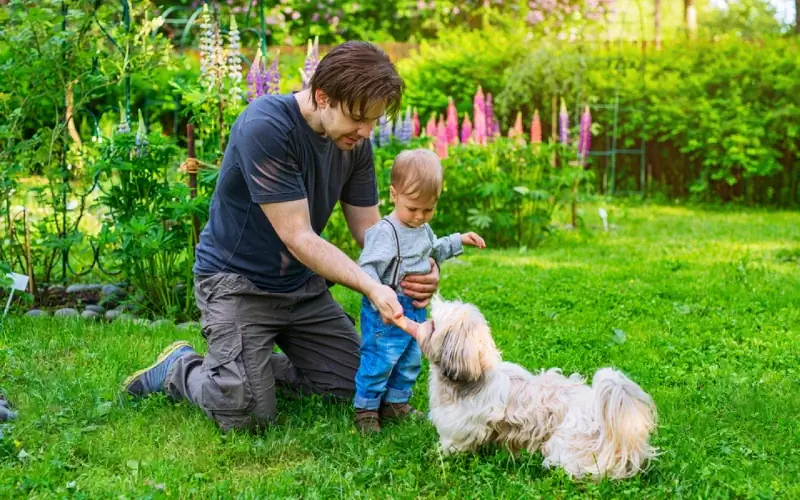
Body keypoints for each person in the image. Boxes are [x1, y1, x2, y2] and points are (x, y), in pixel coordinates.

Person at [122, 41, 440, 432]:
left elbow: (372, 233)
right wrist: (372, 287)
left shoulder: (354, 143)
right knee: (246, 414)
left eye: (373, 121)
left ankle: (239, 369)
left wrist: (416, 267)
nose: (366, 131)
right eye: (359, 118)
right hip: (237, 284)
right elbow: (298, 237)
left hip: (301, 289)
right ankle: (181, 368)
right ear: (322, 96)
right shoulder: (266, 126)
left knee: (354, 385)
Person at [352, 149, 485, 433]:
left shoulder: (422, 229)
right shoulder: (384, 232)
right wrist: (378, 295)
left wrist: (459, 240)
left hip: (416, 306)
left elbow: (434, 249)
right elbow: (366, 268)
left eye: (428, 209)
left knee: (411, 357)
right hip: (385, 311)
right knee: (380, 358)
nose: (420, 216)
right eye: (413, 208)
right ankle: (366, 408)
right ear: (393, 194)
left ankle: (396, 403)